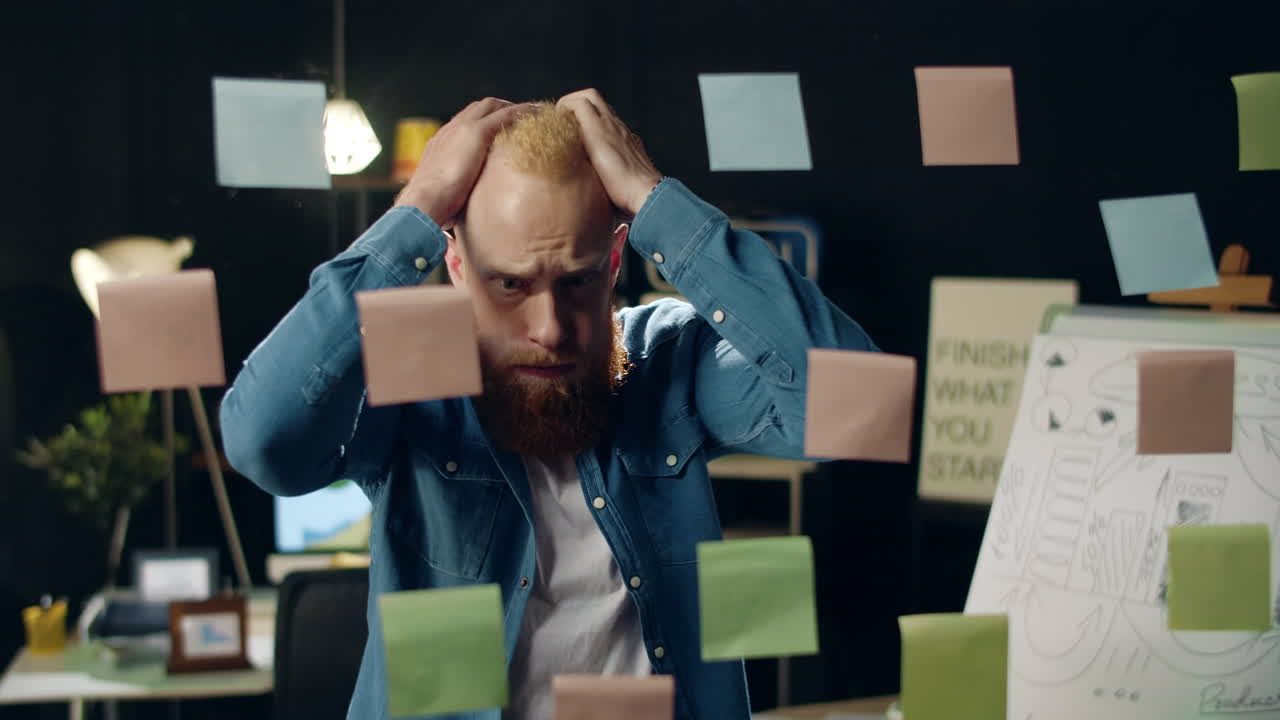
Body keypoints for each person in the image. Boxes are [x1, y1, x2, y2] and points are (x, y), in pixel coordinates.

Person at [220, 89, 877, 720]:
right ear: (454, 263)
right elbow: (261, 443)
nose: (551, 328)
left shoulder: (665, 364)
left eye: (576, 281)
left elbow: (859, 402)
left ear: (615, 260)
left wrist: (656, 203)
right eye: (510, 283)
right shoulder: (412, 386)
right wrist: (414, 212)